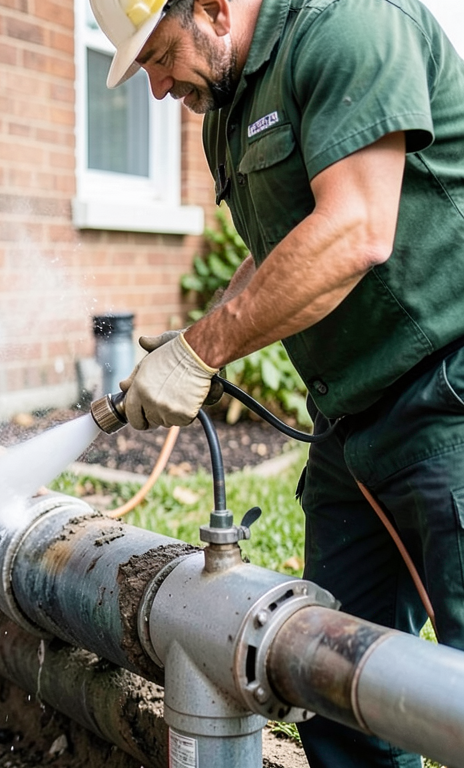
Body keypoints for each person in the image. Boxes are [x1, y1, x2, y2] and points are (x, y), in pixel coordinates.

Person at [90, 0, 464, 766]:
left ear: (214, 9)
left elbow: (357, 227)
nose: (159, 88)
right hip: (349, 421)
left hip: (448, 393)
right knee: (325, 674)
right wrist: (200, 339)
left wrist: (202, 349)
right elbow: (283, 249)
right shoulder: (221, 114)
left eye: (160, 56)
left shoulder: (350, 25)